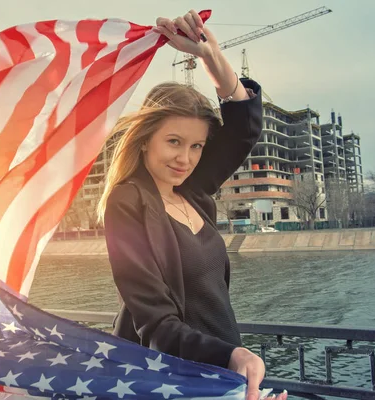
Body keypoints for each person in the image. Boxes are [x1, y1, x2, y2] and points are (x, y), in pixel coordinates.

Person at [97, 10, 287, 400]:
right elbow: (156, 323)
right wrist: (231, 357)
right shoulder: (127, 201)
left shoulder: (193, 191)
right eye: (173, 141)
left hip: (223, 375)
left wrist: (210, 56)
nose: (185, 158)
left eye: (196, 145)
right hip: (168, 378)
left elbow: (243, 129)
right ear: (146, 139)